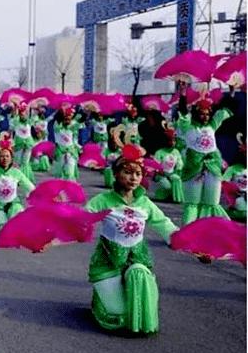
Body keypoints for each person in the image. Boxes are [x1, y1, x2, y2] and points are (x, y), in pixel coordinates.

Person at [84, 145, 179, 335]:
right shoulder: (103, 201)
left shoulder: (145, 203)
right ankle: (100, 298)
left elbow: (166, 226)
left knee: (140, 274)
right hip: (108, 263)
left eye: (138, 173)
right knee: (116, 316)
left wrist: (194, 249)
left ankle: (137, 319)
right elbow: (79, 223)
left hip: (136, 259)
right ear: (116, 174)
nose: (134, 178)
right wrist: (50, 240)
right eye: (127, 172)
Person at [176, 82, 235, 224]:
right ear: (195, 114)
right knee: (193, 203)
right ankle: (189, 232)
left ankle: (214, 230)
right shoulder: (187, 126)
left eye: (207, 114)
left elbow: (224, 111)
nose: (204, 116)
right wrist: (183, 92)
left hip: (213, 167)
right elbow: (183, 112)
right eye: (201, 114)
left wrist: (231, 92)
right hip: (194, 167)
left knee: (212, 202)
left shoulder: (212, 125)